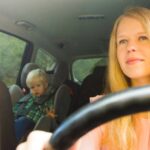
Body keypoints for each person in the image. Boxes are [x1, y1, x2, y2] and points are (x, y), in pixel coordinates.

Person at [16, 6, 150, 150]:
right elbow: (83, 144)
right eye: (123, 41)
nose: (131, 47)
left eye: (143, 37)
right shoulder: (103, 108)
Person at [13, 68, 55, 142]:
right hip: (20, 117)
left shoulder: (48, 99)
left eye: (38, 86)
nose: (35, 89)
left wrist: (49, 114)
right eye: (32, 87)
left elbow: (50, 112)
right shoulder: (28, 97)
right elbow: (18, 106)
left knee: (22, 121)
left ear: (45, 85)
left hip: (34, 122)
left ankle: (11, 141)